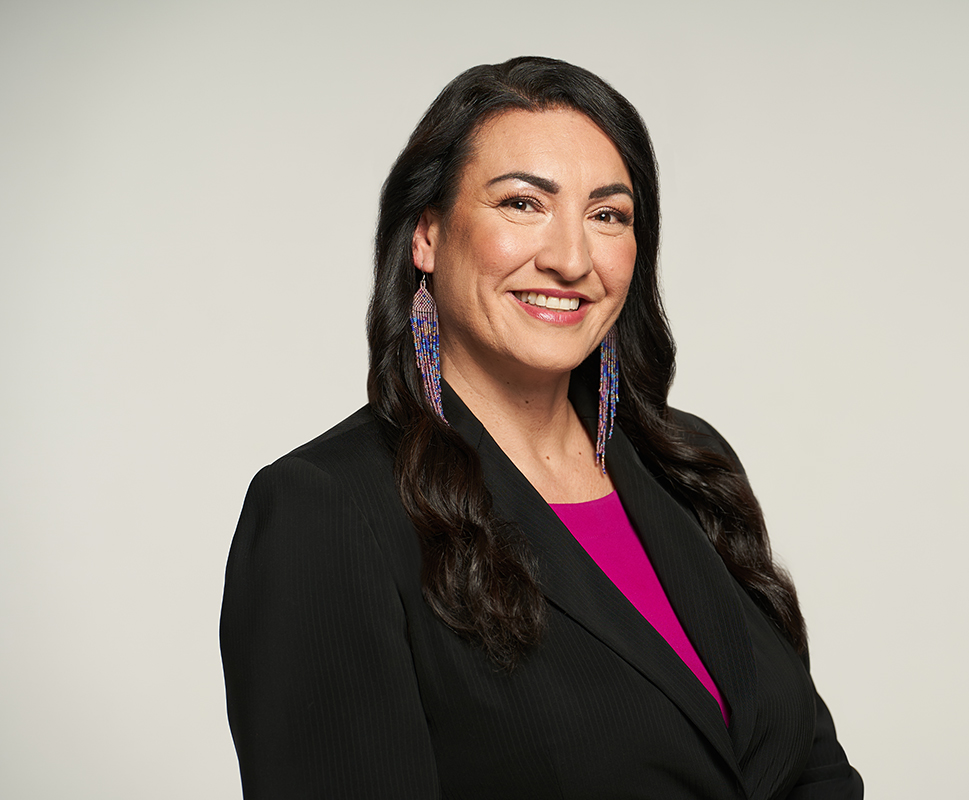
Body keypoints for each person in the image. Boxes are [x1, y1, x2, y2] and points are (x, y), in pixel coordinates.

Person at [220, 56, 863, 800]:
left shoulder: (688, 464)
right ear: (426, 233)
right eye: (523, 204)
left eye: (607, 215)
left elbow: (811, 766)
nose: (570, 259)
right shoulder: (328, 509)